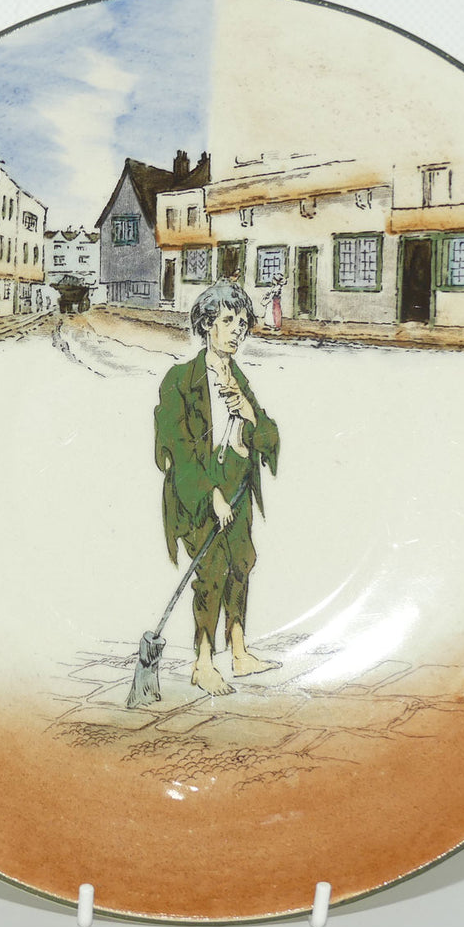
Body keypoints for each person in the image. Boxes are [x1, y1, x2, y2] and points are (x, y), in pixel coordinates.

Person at [154, 280, 281, 696]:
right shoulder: (180, 379)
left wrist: (248, 413)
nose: (237, 331)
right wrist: (211, 494)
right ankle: (203, 662)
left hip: (238, 488)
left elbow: (269, 438)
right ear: (208, 324)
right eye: (228, 321)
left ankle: (240, 653)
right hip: (198, 492)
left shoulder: (239, 379)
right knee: (210, 572)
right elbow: (176, 448)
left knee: (241, 563)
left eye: (242, 324)